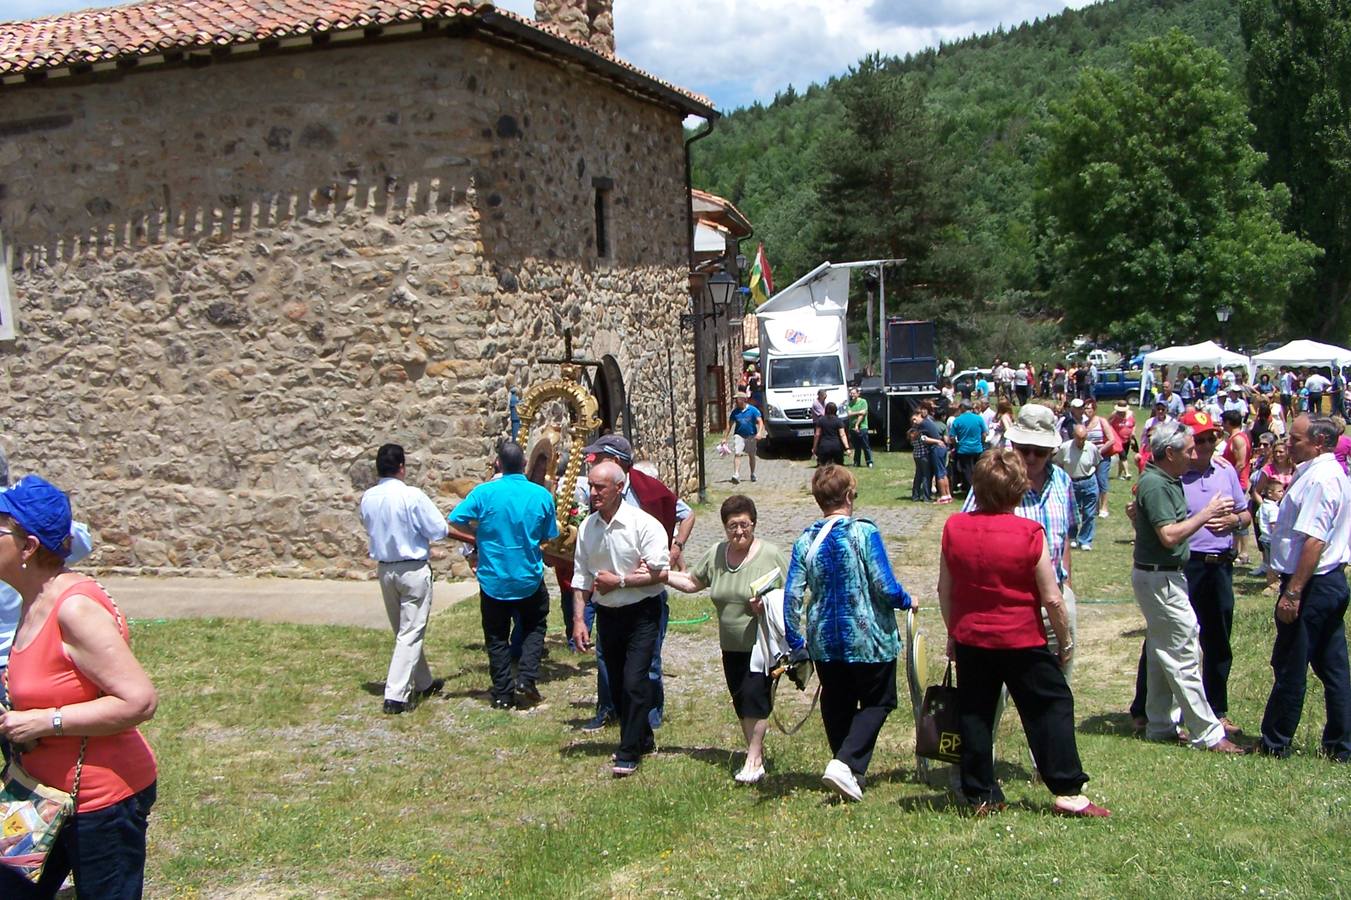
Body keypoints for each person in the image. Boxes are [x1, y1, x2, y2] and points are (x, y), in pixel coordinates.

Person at [0, 476, 159, 897]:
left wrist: (42, 721)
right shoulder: (36, 597)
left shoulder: (73, 608)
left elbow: (139, 700)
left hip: (99, 803)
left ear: (28, 547)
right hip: (36, 795)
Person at [941, 451, 1108, 817]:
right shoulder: (1029, 533)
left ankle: (980, 792)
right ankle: (1067, 788)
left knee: (976, 713)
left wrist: (953, 631)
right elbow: (1052, 596)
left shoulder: (954, 527)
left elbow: (945, 589)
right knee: (1052, 705)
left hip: (973, 637)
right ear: (1018, 490)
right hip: (1021, 638)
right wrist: (1064, 641)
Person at [783, 465, 912, 801]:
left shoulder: (804, 540)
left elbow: (793, 596)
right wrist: (906, 600)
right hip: (868, 638)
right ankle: (845, 763)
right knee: (879, 701)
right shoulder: (864, 533)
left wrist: (796, 641)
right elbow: (884, 585)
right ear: (850, 495)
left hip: (824, 640)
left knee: (837, 701)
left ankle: (847, 773)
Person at [1129, 410, 1250, 734]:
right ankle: (1156, 713)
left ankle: (1213, 708)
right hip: (1183, 564)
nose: (1207, 445)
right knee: (1172, 639)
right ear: (1181, 447)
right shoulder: (1166, 477)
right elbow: (1156, 525)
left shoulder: (1223, 471)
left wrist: (1235, 521)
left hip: (1217, 563)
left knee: (1216, 638)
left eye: (1212, 437)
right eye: (1199, 440)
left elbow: (1245, 513)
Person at [573, 435, 694, 733]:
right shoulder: (596, 504)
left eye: (597, 457)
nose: (593, 464)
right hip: (608, 597)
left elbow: (686, 513)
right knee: (607, 657)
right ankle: (610, 709)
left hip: (643, 592)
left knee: (647, 660)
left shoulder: (645, 489)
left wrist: (674, 548)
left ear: (614, 463)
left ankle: (649, 717)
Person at [665, 496, 789, 784]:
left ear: (753, 524)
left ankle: (753, 758)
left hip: (761, 644)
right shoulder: (717, 554)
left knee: (755, 698)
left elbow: (793, 593)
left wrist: (768, 603)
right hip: (730, 644)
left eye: (744, 525)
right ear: (724, 528)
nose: (739, 532)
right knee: (740, 699)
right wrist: (661, 576)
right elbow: (693, 582)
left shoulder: (770, 554)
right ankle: (755, 755)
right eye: (732, 526)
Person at [1253, 415, 1351, 761]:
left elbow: (1314, 540)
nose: (1288, 445)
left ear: (1319, 443)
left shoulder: (1322, 479)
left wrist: (1293, 591)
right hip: (1325, 582)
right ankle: (1340, 744)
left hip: (1313, 584)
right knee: (1333, 667)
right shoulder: (1318, 473)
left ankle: (1275, 742)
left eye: (1295, 440)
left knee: (1292, 665)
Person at [569, 460, 671, 777]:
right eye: (591, 486)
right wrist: (579, 620)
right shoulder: (587, 528)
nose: (593, 493)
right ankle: (643, 737)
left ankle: (627, 752)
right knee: (615, 685)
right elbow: (582, 579)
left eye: (600, 487)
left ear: (619, 488)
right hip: (608, 614)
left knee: (634, 681)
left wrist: (622, 581)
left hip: (642, 613)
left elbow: (660, 574)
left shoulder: (644, 525)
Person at [963, 404, 1079, 678]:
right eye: (1024, 447)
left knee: (1056, 687)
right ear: (1012, 443)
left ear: (1051, 450)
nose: (1030, 456)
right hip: (1003, 605)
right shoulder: (991, 485)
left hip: (1054, 599)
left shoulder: (1062, 481)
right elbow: (967, 537)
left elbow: (1064, 538)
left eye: (1039, 450)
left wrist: (1067, 585)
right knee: (992, 694)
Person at [448, 442, 558, 710]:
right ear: (524, 465)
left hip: (494, 576)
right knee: (534, 625)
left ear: (498, 464)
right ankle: (527, 677)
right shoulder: (541, 495)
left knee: (496, 637)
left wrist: (478, 538)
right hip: (527, 574)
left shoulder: (484, 493)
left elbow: (454, 519)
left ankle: (502, 693)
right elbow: (548, 535)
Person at [359, 443, 450, 714]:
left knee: (404, 630)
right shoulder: (412, 496)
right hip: (411, 566)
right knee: (410, 631)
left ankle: (423, 682)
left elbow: (367, 524)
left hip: (386, 567)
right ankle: (396, 695)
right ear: (402, 467)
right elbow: (438, 528)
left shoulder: (369, 497)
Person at [1055, 425, 1101, 552]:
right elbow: (1058, 464)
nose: (1081, 441)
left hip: (1089, 481)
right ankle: (1072, 537)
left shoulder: (1091, 447)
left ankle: (1085, 540)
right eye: (1079, 438)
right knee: (1071, 512)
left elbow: (1097, 464)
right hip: (1071, 482)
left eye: (1084, 438)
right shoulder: (1065, 448)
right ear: (1074, 436)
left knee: (1089, 513)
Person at [949, 398, 988, 496]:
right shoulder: (979, 418)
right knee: (978, 470)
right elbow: (984, 433)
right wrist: (982, 443)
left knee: (967, 471)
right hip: (977, 448)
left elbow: (952, 437)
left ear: (962, 407)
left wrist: (956, 445)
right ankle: (979, 490)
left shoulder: (957, 420)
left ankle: (970, 492)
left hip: (963, 449)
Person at [723, 391, 763, 485]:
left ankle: (752, 473)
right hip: (739, 435)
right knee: (737, 453)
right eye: (736, 400)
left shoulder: (753, 410)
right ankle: (736, 474)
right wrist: (725, 438)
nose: (736, 402)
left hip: (751, 435)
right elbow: (729, 425)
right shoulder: (735, 412)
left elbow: (760, 422)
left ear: (743, 400)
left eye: (737, 399)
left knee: (751, 455)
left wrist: (760, 432)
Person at [1083, 399, 1114, 517]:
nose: (1087, 411)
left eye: (1089, 408)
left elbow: (1111, 439)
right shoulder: (1084, 424)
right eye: (1085, 408)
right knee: (1092, 481)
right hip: (1089, 457)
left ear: (1094, 409)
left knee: (1102, 480)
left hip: (1102, 456)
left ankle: (1104, 507)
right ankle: (1094, 507)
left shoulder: (1102, 421)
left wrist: (1099, 451)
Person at [811, 402, 849, 467]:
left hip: (824, 446)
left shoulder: (821, 420)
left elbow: (817, 434)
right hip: (837, 446)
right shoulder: (839, 421)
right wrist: (847, 448)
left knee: (824, 468)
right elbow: (842, 435)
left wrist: (814, 447)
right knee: (838, 468)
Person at [908, 412, 933, 502]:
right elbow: (924, 440)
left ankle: (915, 496)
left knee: (918, 475)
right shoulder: (919, 432)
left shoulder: (910, 432)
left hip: (916, 455)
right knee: (926, 476)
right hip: (924, 455)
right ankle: (926, 497)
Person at [846, 387, 874, 468]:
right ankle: (856, 462)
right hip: (852, 428)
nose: (852, 395)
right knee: (856, 447)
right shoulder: (850, 404)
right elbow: (849, 414)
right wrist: (858, 412)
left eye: (854, 393)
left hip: (862, 427)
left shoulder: (863, 402)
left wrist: (857, 425)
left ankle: (869, 462)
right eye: (851, 393)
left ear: (858, 394)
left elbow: (863, 414)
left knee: (866, 446)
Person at [1110, 401, 1136, 480]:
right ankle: (1127, 473)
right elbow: (1108, 424)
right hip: (1118, 440)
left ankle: (1119, 475)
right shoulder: (1114, 415)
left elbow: (1134, 424)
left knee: (1123, 457)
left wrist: (1133, 433)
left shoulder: (1131, 414)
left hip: (1127, 440)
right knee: (1123, 456)